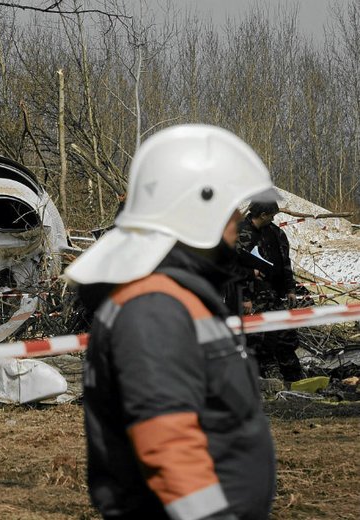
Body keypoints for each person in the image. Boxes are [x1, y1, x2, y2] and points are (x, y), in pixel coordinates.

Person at [65, 125, 277, 520]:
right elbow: (167, 444)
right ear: (198, 210)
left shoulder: (173, 295)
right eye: (230, 210)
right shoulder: (154, 308)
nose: (238, 222)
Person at [236, 201, 305, 382]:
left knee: (286, 335)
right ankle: (258, 380)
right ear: (264, 214)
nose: (274, 218)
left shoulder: (276, 233)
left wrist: (290, 288)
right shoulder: (239, 233)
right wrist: (245, 297)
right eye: (272, 215)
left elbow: (285, 262)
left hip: (273, 294)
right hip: (251, 296)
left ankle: (294, 378)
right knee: (256, 340)